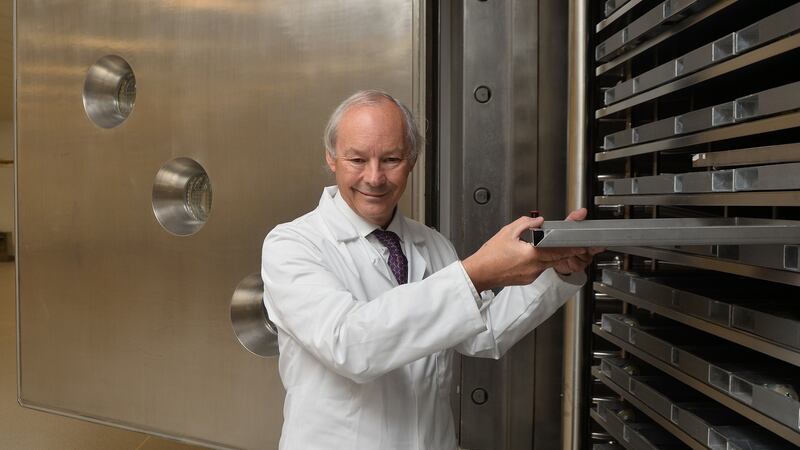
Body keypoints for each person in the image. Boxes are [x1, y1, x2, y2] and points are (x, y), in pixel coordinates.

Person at [261, 90, 601, 450]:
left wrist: (555, 269)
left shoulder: (431, 243)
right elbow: (349, 346)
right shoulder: (293, 245)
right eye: (357, 159)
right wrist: (475, 273)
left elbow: (483, 333)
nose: (374, 177)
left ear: (412, 159)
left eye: (391, 159)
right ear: (331, 157)